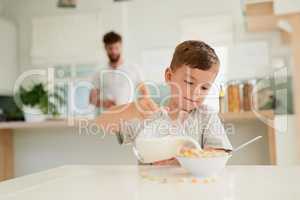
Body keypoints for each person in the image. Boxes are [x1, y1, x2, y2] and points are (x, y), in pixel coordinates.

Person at [95, 40, 232, 165]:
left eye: (204, 87)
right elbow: (100, 124)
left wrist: (185, 160)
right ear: (169, 76)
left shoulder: (206, 116)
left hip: (192, 190)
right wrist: (131, 109)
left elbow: (218, 155)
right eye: (189, 82)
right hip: (149, 189)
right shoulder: (148, 116)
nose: (195, 92)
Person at [89, 31, 148, 109]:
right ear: (105, 48)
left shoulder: (134, 68)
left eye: (116, 48)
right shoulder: (99, 72)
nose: (114, 51)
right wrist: (104, 103)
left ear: (121, 47)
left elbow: (145, 94)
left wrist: (135, 108)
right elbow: (92, 100)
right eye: (110, 48)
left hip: (129, 116)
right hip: (109, 116)